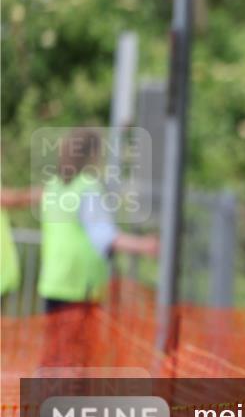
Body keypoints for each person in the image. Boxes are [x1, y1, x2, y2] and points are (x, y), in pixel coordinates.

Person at [37, 128, 159, 314]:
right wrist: (146, 245)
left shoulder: (53, 186)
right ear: (92, 155)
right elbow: (105, 236)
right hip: (81, 284)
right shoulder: (87, 187)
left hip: (54, 281)